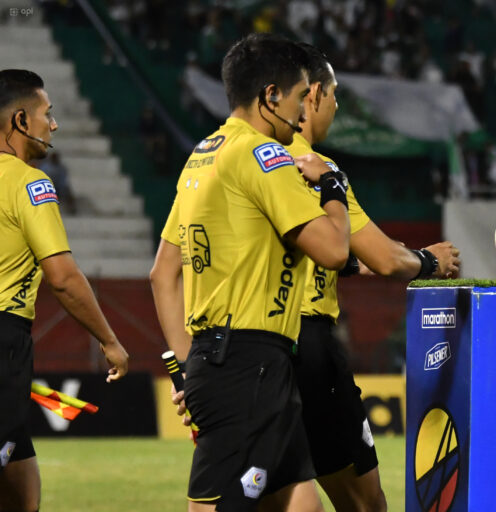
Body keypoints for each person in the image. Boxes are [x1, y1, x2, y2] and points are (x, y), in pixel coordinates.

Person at [149, 34, 350, 511]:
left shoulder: (202, 154)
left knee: (303, 502)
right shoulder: (264, 157)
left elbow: (162, 273)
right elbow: (335, 250)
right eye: (301, 97)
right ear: (270, 97)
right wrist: (331, 185)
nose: (304, 114)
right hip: (248, 366)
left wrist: (190, 369)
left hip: (233, 361)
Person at [286, 43, 461, 512]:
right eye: (336, 95)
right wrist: (429, 260)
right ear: (314, 93)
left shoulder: (246, 161)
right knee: (365, 503)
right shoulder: (321, 171)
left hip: (254, 350)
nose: (337, 107)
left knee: (278, 496)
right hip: (310, 347)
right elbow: (385, 258)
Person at [0, 69, 129, 512]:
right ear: (19, 121)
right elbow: (64, 277)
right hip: (3, 342)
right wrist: (109, 340)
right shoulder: (28, 182)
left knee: (22, 488)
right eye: (46, 115)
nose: (52, 126)